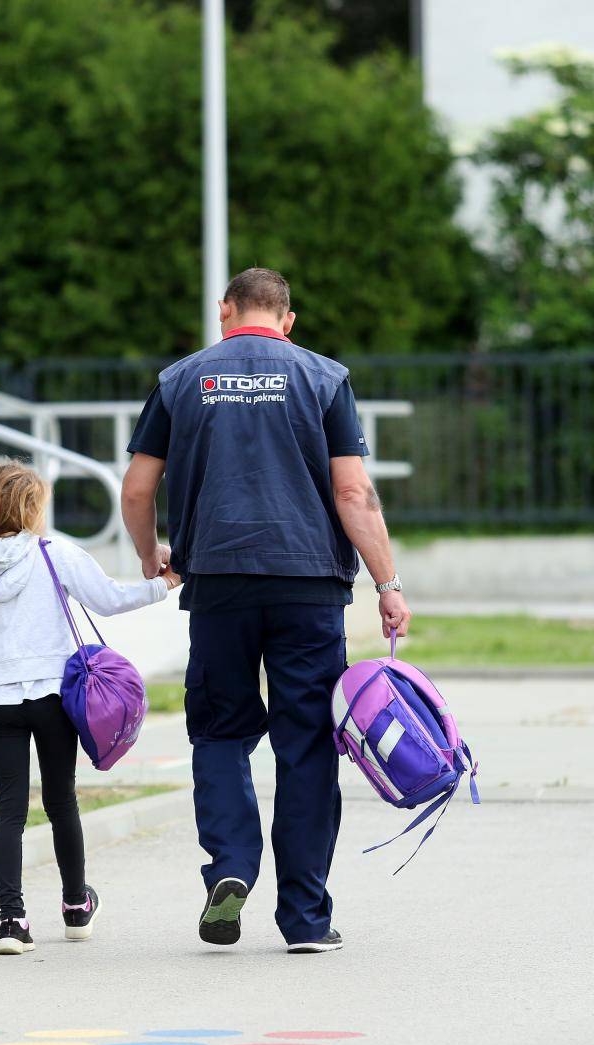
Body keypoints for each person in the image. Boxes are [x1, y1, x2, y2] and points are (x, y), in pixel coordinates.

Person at [121, 267, 412, 954]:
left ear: (226, 311)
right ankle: (306, 920)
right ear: (287, 319)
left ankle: (229, 868)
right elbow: (353, 494)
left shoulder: (180, 379)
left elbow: (137, 490)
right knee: (306, 746)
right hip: (308, 585)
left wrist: (148, 558)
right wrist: (388, 581)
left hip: (217, 582)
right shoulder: (323, 377)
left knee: (220, 735)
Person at [0, 461, 180, 955]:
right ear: (32, 506)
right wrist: (164, 584)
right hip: (53, 696)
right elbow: (109, 600)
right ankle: (76, 907)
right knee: (62, 802)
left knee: (8, 809)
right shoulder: (53, 554)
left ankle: (12, 922)